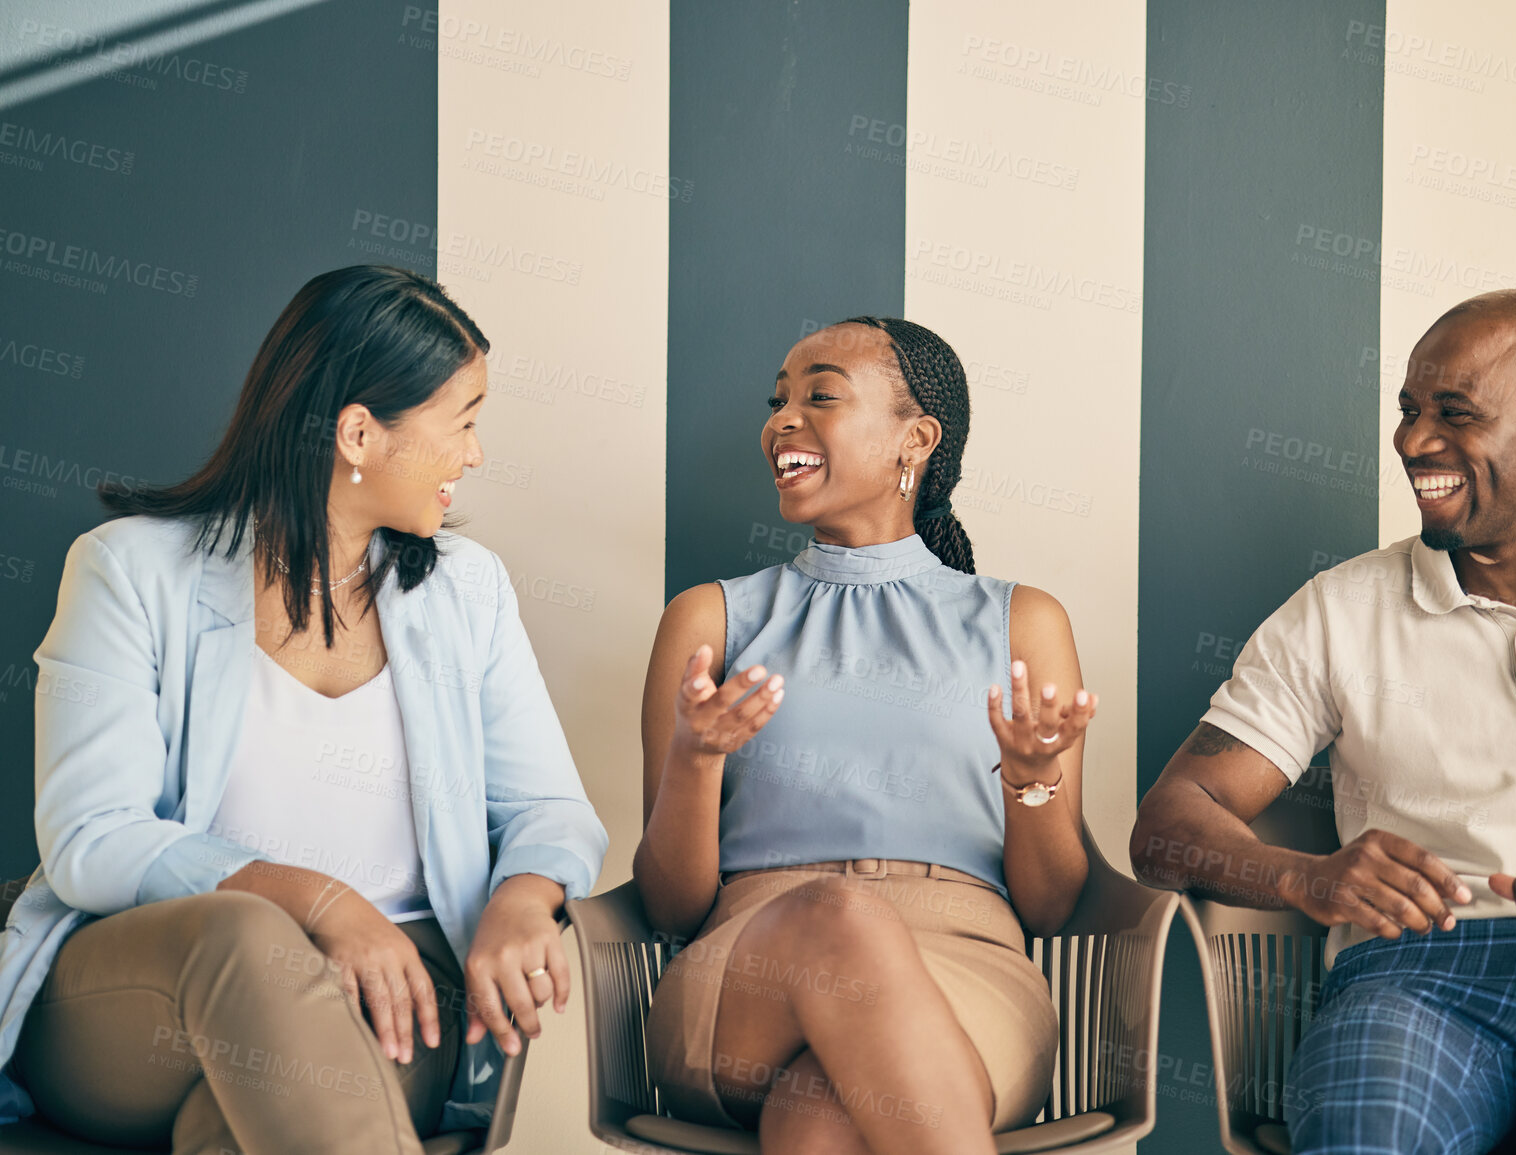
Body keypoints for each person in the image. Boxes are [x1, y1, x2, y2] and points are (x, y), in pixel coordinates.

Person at [0, 265, 608, 1153]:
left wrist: (521, 899)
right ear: (359, 433)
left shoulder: (467, 591)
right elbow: (92, 839)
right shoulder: (126, 570)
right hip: (146, 992)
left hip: (394, 992)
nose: (475, 456)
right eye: (464, 423)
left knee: (241, 1122)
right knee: (250, 933)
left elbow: (549, 809)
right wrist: (318, 900)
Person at [1131, 288, 1516, 1154]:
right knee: (1361, 1139)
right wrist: (1309, 879)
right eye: (1409, 411)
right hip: (1411, 982)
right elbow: (1166, 824)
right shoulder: (1339, 608)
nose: (1412, 442)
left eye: (1455, 414)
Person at [635, 317, 1098, 1154]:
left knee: (822, 1115)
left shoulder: (1021, 622)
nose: (782, 419)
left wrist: (1032, 779)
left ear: (913, 439)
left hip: (968, 970)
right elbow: (670, 904)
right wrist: (695, 758)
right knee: (837, 918)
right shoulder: (710, 618)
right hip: (748, 969)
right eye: (778, 399)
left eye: (820, 396)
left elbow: (1051, 904)